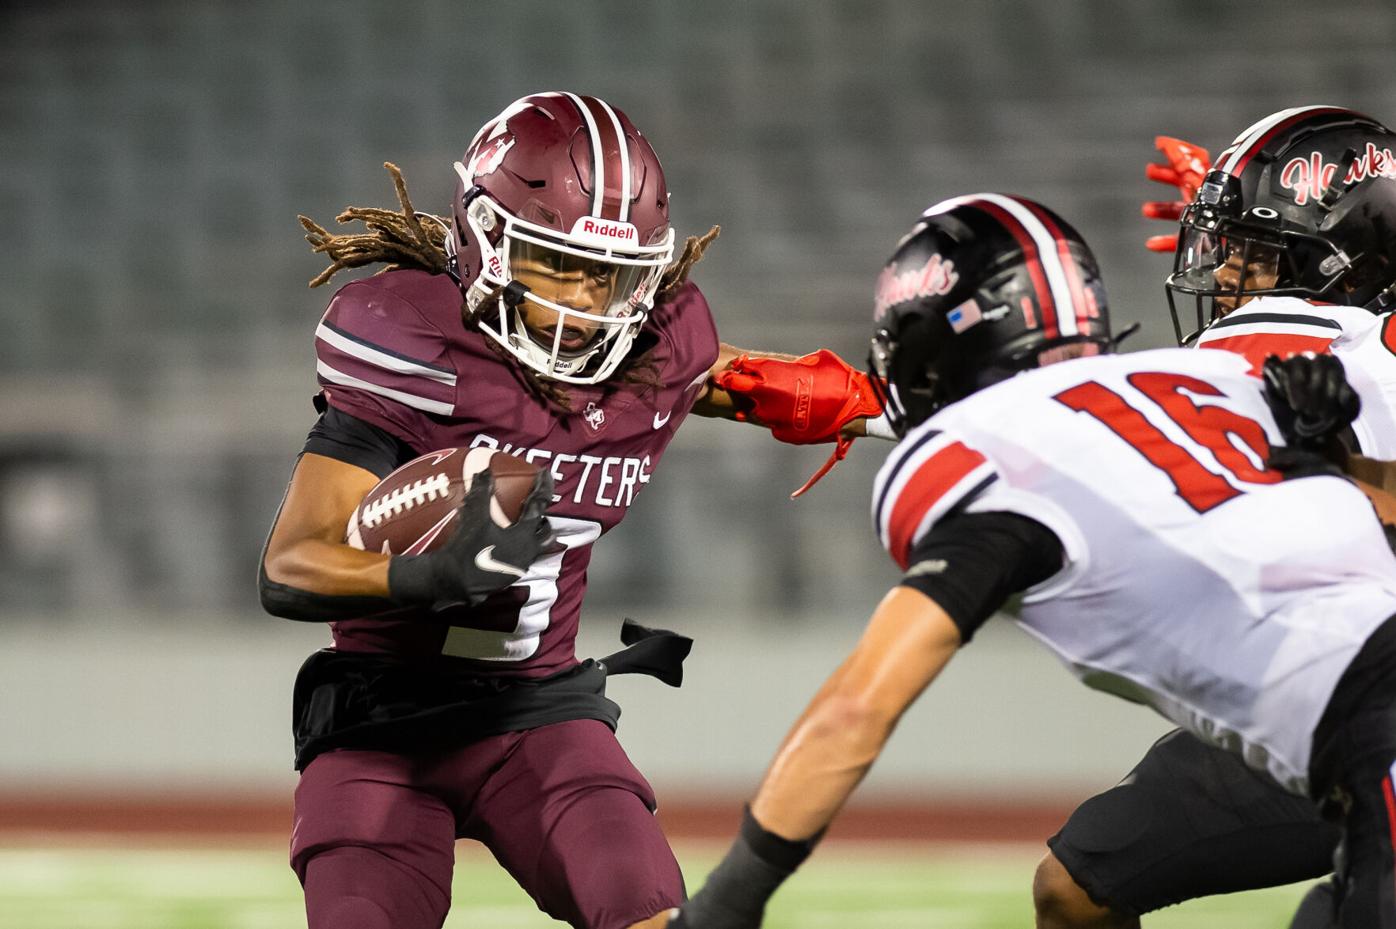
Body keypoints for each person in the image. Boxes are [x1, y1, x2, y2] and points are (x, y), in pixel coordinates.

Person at [669, 191, 1396, 929]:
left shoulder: (998, 472)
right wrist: (1339, 458)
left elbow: (860, 704)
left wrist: (726, 902)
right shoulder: (1204, 383)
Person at [257, 91, 883, 929]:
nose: (591, 303)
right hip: (382, 719)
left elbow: (695, 371)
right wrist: (425, 572)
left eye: (615, 276)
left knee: (651, 915)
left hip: (537, 711)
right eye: (562, 265)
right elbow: (290, 562)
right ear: (487, 239)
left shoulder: (661, 343)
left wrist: (848, 396)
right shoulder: (415, 340)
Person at [1034, 105, 1396, 929]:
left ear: (1339, 259)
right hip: (1304, 698)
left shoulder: (1372, 350)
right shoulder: (1269, 349)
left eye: (1252, 252)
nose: (1223, 272)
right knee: (1074, 887)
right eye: (1227, 247)